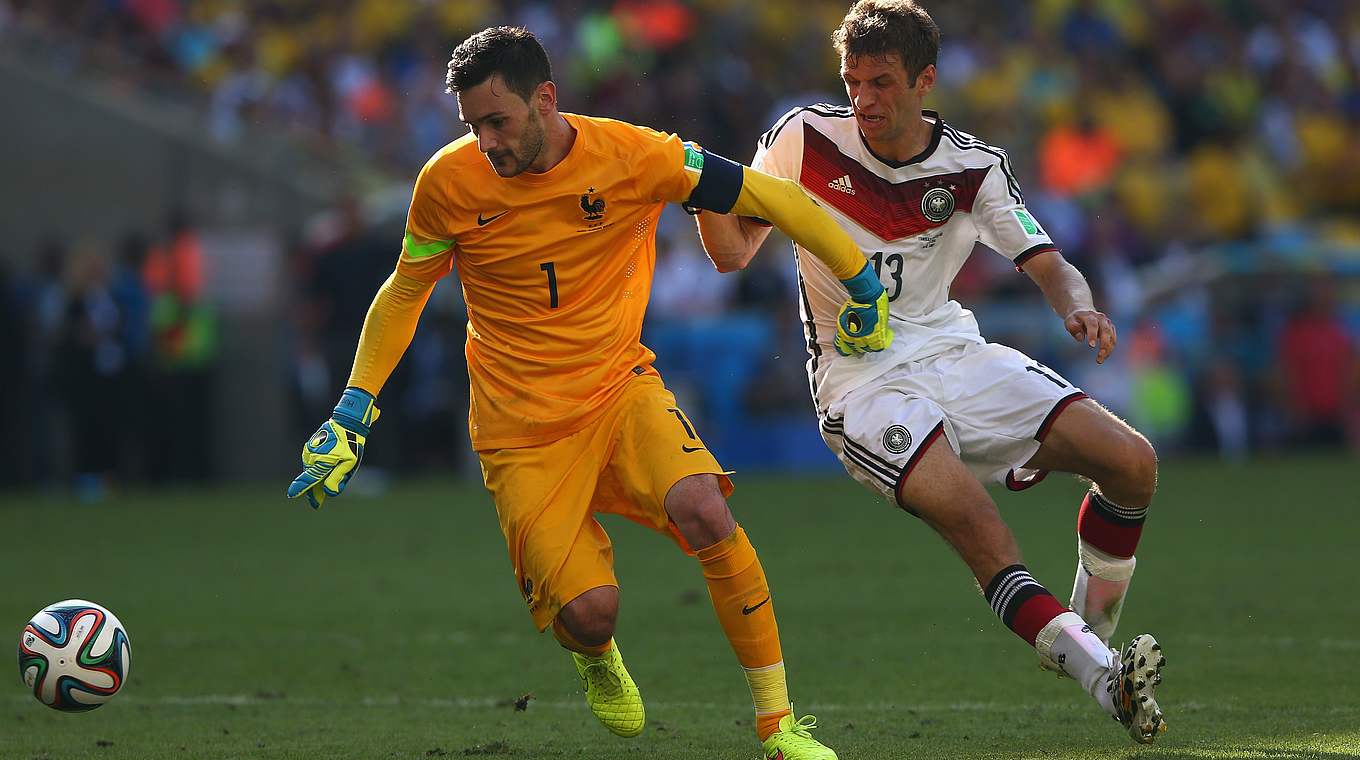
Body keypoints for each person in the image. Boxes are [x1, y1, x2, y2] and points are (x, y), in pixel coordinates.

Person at [287, 26, 896, 760]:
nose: (486, 143)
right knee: (590, 614)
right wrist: (354, 409)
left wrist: (859, 274)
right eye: (472, 127)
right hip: (519, 432)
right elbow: (404, 291)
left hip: (618, 389)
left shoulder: (634, 156)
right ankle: (594, 654)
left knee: (704, 506)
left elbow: (768, 195)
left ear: (545, 99)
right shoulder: (447, 184)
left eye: (497, 122)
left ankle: (779, 726)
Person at [694, 0, 1168, 745]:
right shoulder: (803, 140)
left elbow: (1048, 261)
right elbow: (731, 251)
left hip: (953, 354)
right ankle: (1103, 676)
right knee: (981, 525)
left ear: (925, 81)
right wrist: (699, 186)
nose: (865, 100)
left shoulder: (973, 168)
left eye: (883, 83)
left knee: (1132, 464)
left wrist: (1080, 308)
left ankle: (1086, 635)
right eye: (854, 82)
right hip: (862, 386)